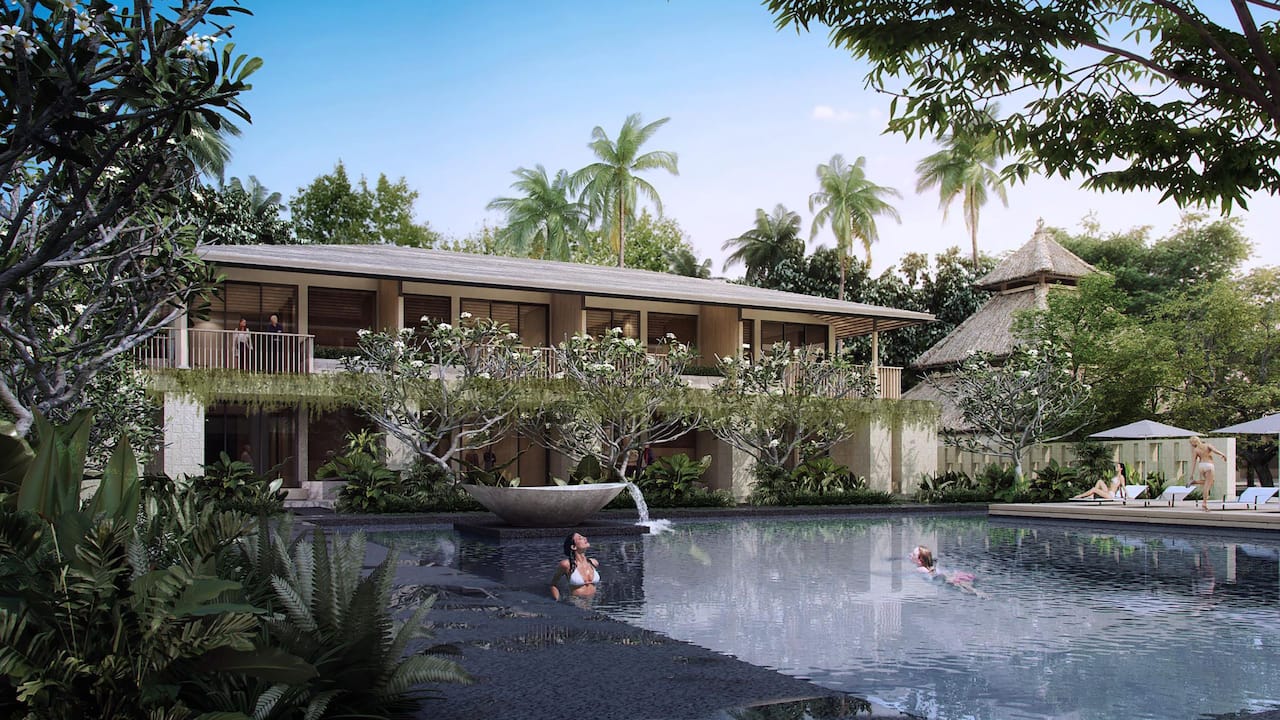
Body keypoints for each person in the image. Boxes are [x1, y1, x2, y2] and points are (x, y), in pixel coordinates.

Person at [910, 545, 987, 597]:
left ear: (920, 561)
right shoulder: (928, 565)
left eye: (913, 554)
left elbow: (930, 574)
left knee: (960, 586)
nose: (910, 555)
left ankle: (977, 592)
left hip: (940, 578)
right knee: (962, 584)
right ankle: (978, 588)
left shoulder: (919, 569)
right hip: (944, 575)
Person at [550, 532, 600, 601]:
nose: (585, 538)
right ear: (574, 547)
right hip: (577, 601)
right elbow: (553, 584)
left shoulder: (593, 563)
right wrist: (557, 600)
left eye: (583, 537)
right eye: (580, 538)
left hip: (594, 600)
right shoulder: (566, 565)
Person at [1189, 436, 1228, 511]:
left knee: (1210, 482)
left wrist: (1192, 474)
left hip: (1201, 466)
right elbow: (1215, 450)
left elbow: (1193, 462)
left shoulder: (1196, 450)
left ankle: (1195, 482)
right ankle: (1204, 503)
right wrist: (1222, 454)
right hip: (1209, 465)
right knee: (1207, 485)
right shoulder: (1207, 445)